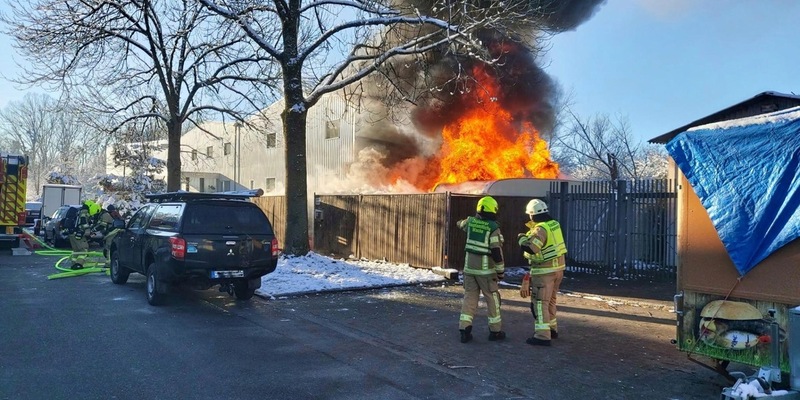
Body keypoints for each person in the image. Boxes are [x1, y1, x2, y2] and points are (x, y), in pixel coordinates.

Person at [517, 199, 567, 346]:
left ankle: (542, 336)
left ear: (533, 214)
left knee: (540, 303)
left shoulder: (541, 229)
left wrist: (521, 240)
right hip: (558, 270)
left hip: (544, 272)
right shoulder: (554, 224)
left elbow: (533, 248)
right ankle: (552, 329)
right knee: (550, 301)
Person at [456, 196, 506, 343]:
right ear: (494, 210)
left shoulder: (470, 223)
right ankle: (495, 331)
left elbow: (460, 224)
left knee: (469, 298)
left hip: (469, 269)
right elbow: (497, 252)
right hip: (486, 272)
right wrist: (500, 271)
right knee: (492, 299)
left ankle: (464, 328)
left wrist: (467, 221)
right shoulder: (493, 228)